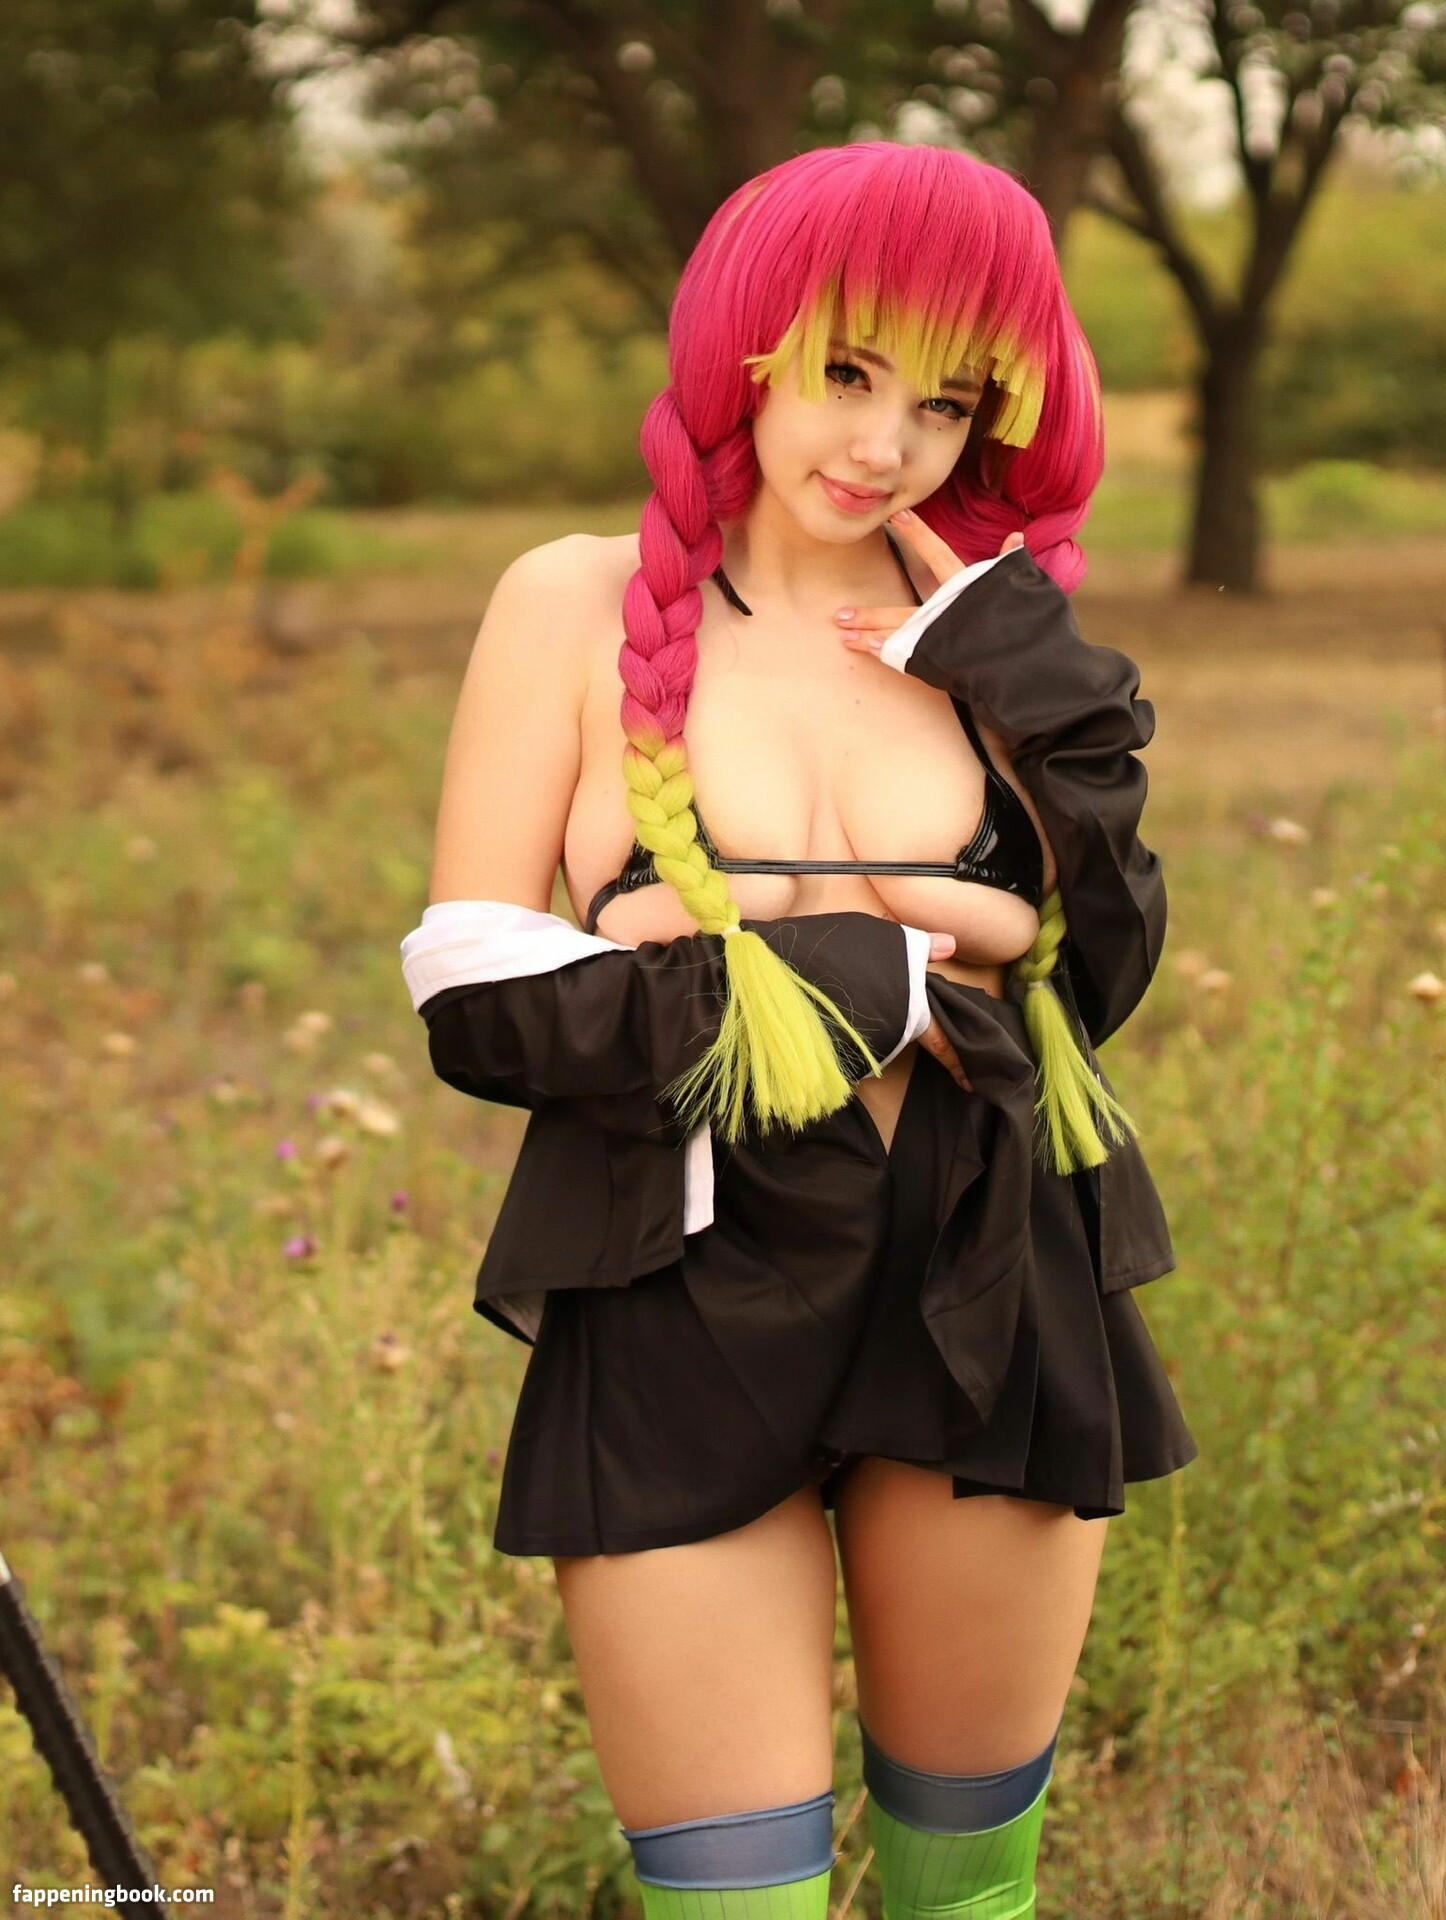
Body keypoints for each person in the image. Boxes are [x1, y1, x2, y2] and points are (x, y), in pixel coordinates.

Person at [398, 141, 1197, 1920]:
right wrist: (893, 967)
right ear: (747, 341)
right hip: (685, 1290)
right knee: (732, 1903)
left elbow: (1102, 976)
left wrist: (1004, 670)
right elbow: (483, 1002)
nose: (885, 443)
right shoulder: (572, 601)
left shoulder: (985, 627)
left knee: (966, 1899)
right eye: (846, 370)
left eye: (945, 401)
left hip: (989, 1274)